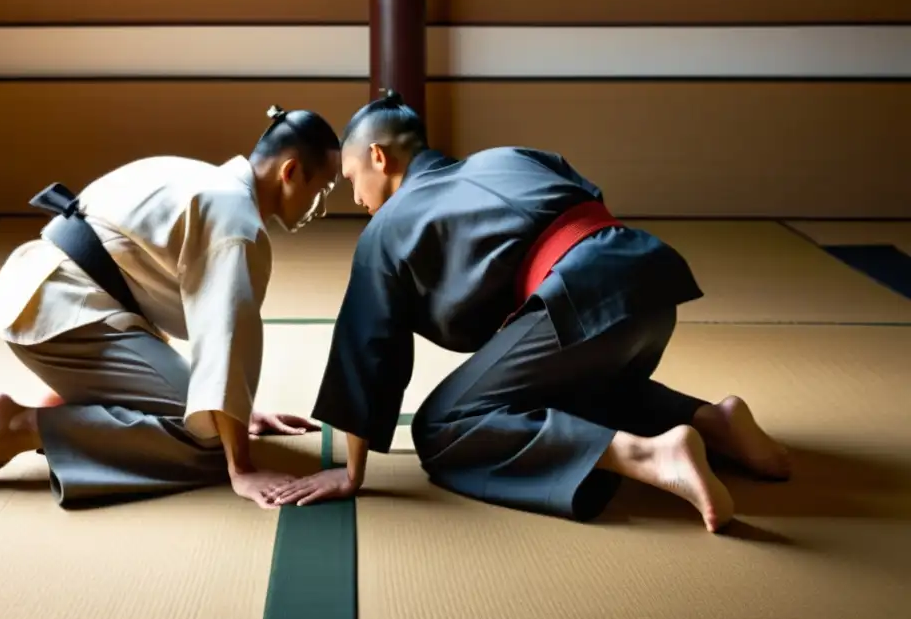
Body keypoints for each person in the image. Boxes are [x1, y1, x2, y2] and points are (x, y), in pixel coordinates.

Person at [267, 91, 790, 533]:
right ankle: (711, 420)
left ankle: (650, 455)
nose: (357, 198)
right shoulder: (510, 156)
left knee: (444, 424)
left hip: (579, 298)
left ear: (380, 158)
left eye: (355, 178)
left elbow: (368, 344)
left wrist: (350, 471)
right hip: (647, 284)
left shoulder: (387, 227)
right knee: (562, 391)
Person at [0, 105, 341, 509]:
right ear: (289, 172)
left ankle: (68, 404)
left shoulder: (204, 179)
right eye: (320, 190)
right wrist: (241, 466)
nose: (317, 207)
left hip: (49, 297)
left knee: (210, 416)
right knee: (207, 441)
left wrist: (239, 411)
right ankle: (21, 428)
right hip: (66, 313)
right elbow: (225, 338)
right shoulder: (236, 223)